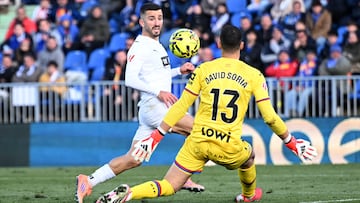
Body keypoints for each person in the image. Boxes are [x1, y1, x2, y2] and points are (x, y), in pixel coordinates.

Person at [95, 24, 318, 203]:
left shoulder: (203, 69)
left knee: (170, 185)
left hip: (197, 142)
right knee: (248, 157)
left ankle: (130, 194)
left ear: (219, 44)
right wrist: (292, 143)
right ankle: (247, 197)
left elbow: (180, 106)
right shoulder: (255, 75)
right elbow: (269, 117)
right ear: (242, 45)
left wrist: (154, 138)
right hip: (228, 145)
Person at [75, 3, 205, 203]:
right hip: (156, 108)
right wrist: (159, 92)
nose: (157, 22)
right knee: (199, 131)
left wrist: (179, 71)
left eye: (159, 18)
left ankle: (89, 181)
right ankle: (183, 176)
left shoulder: (156, 45)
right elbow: (130, 79)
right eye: (151, 18)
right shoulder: (140, 46)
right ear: (141, 21)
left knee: (133, 159)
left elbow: (156, 76)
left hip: (151, 109)